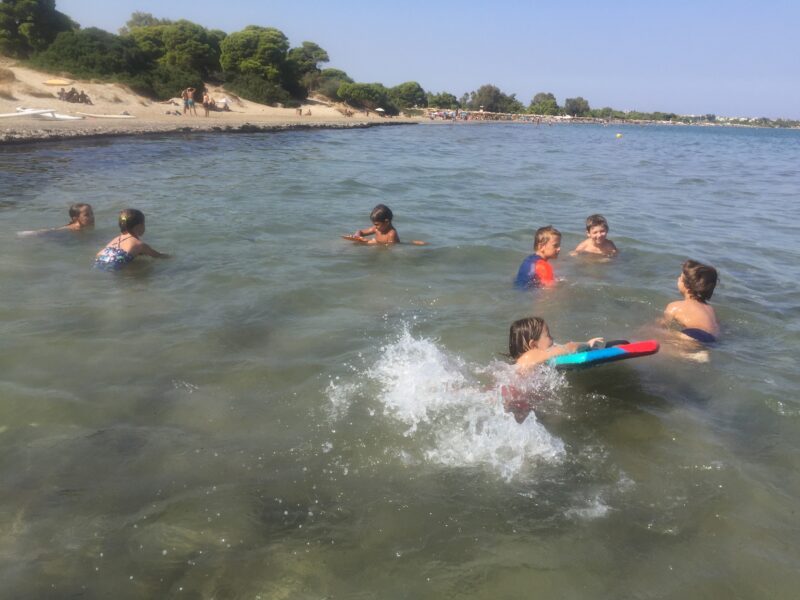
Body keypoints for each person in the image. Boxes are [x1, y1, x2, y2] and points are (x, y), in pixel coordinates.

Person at [509, 316, 604, 374]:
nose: (552, 338)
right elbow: (569, 347)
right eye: (548, 335)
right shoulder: (533, 355)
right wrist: (588, 344)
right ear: (533, 345)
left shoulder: (521, 363)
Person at [663, 260, 719, 343]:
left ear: (686, 286)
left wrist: (660, 323)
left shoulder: (675, 306)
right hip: (711, 339)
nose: (678, 279)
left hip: (692, 334)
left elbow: (666, 325)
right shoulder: (710, 309)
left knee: (660, 332)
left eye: (680, 277)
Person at [94, 209, 169, 270]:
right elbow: (158, 256)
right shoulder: (140, 245)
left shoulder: (115, 239)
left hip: (100, 260)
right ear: (140, 226)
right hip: (115, 267)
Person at [17, 203, 94, 236]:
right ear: (75, 218)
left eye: (92, 214)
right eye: (87, 215)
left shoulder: (84, 226)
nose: (92, 217)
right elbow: (53, 231)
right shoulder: (73, 228)